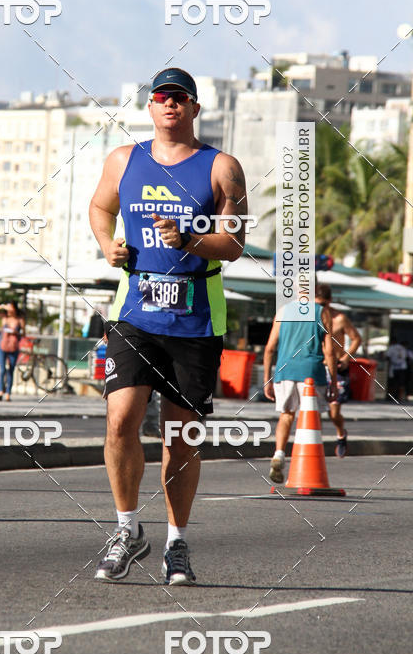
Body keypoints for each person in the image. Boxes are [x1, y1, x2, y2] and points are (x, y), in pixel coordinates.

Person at [89, 67, 247, 585]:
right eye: (161, 97)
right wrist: (106, 243)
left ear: (195, 108)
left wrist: (189, 241)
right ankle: (127, 529)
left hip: (196, 319)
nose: (170, 105)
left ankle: (177, 542)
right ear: (150, 108)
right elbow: (99, 207)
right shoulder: (123, 160)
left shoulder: (222, 167)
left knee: (180, 437)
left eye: (180, 98)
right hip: (134, 314)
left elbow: (235, 244)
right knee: (120, 421)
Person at [263, 283, 338, 482]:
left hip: (284, 370)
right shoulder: (322, 312)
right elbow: (329, 350)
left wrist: (267, 380)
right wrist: (333, 381)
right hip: (312, 373)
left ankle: (279, 453)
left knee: (286, 415)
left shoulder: (283, 310)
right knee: (310, 420)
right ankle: (301, 466)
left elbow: (269, 348)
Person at [315, 284, 361, 456]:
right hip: (319, 366)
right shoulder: (312, 317)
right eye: (318, 304)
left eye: (324, 305)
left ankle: (341, 434)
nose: (321, 308)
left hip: (338, 367)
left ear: (330, 302)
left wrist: (345, 358)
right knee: (315, 410)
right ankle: (314, 443)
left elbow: (356, 338)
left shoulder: (339, 319)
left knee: (334, 413)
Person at [0, 301, 25, 401]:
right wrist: (2, 306)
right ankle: (0, 391)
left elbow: (23, 333)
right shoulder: (4, 318)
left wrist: (16, 332)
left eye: (10, 308)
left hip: (13, 347)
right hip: (3, 346)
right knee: (2, 370)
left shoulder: (19, 320)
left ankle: (8, 393)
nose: (8, 310)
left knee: (11, 370)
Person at [385, 338, 410, 402]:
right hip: (403, 367)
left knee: (392, 383)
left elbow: (387, 357)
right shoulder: (403, 348)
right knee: (402, 383)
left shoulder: (392, 348)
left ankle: (391, 396)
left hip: (394, 367)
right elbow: (407, 357)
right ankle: (400, 397)